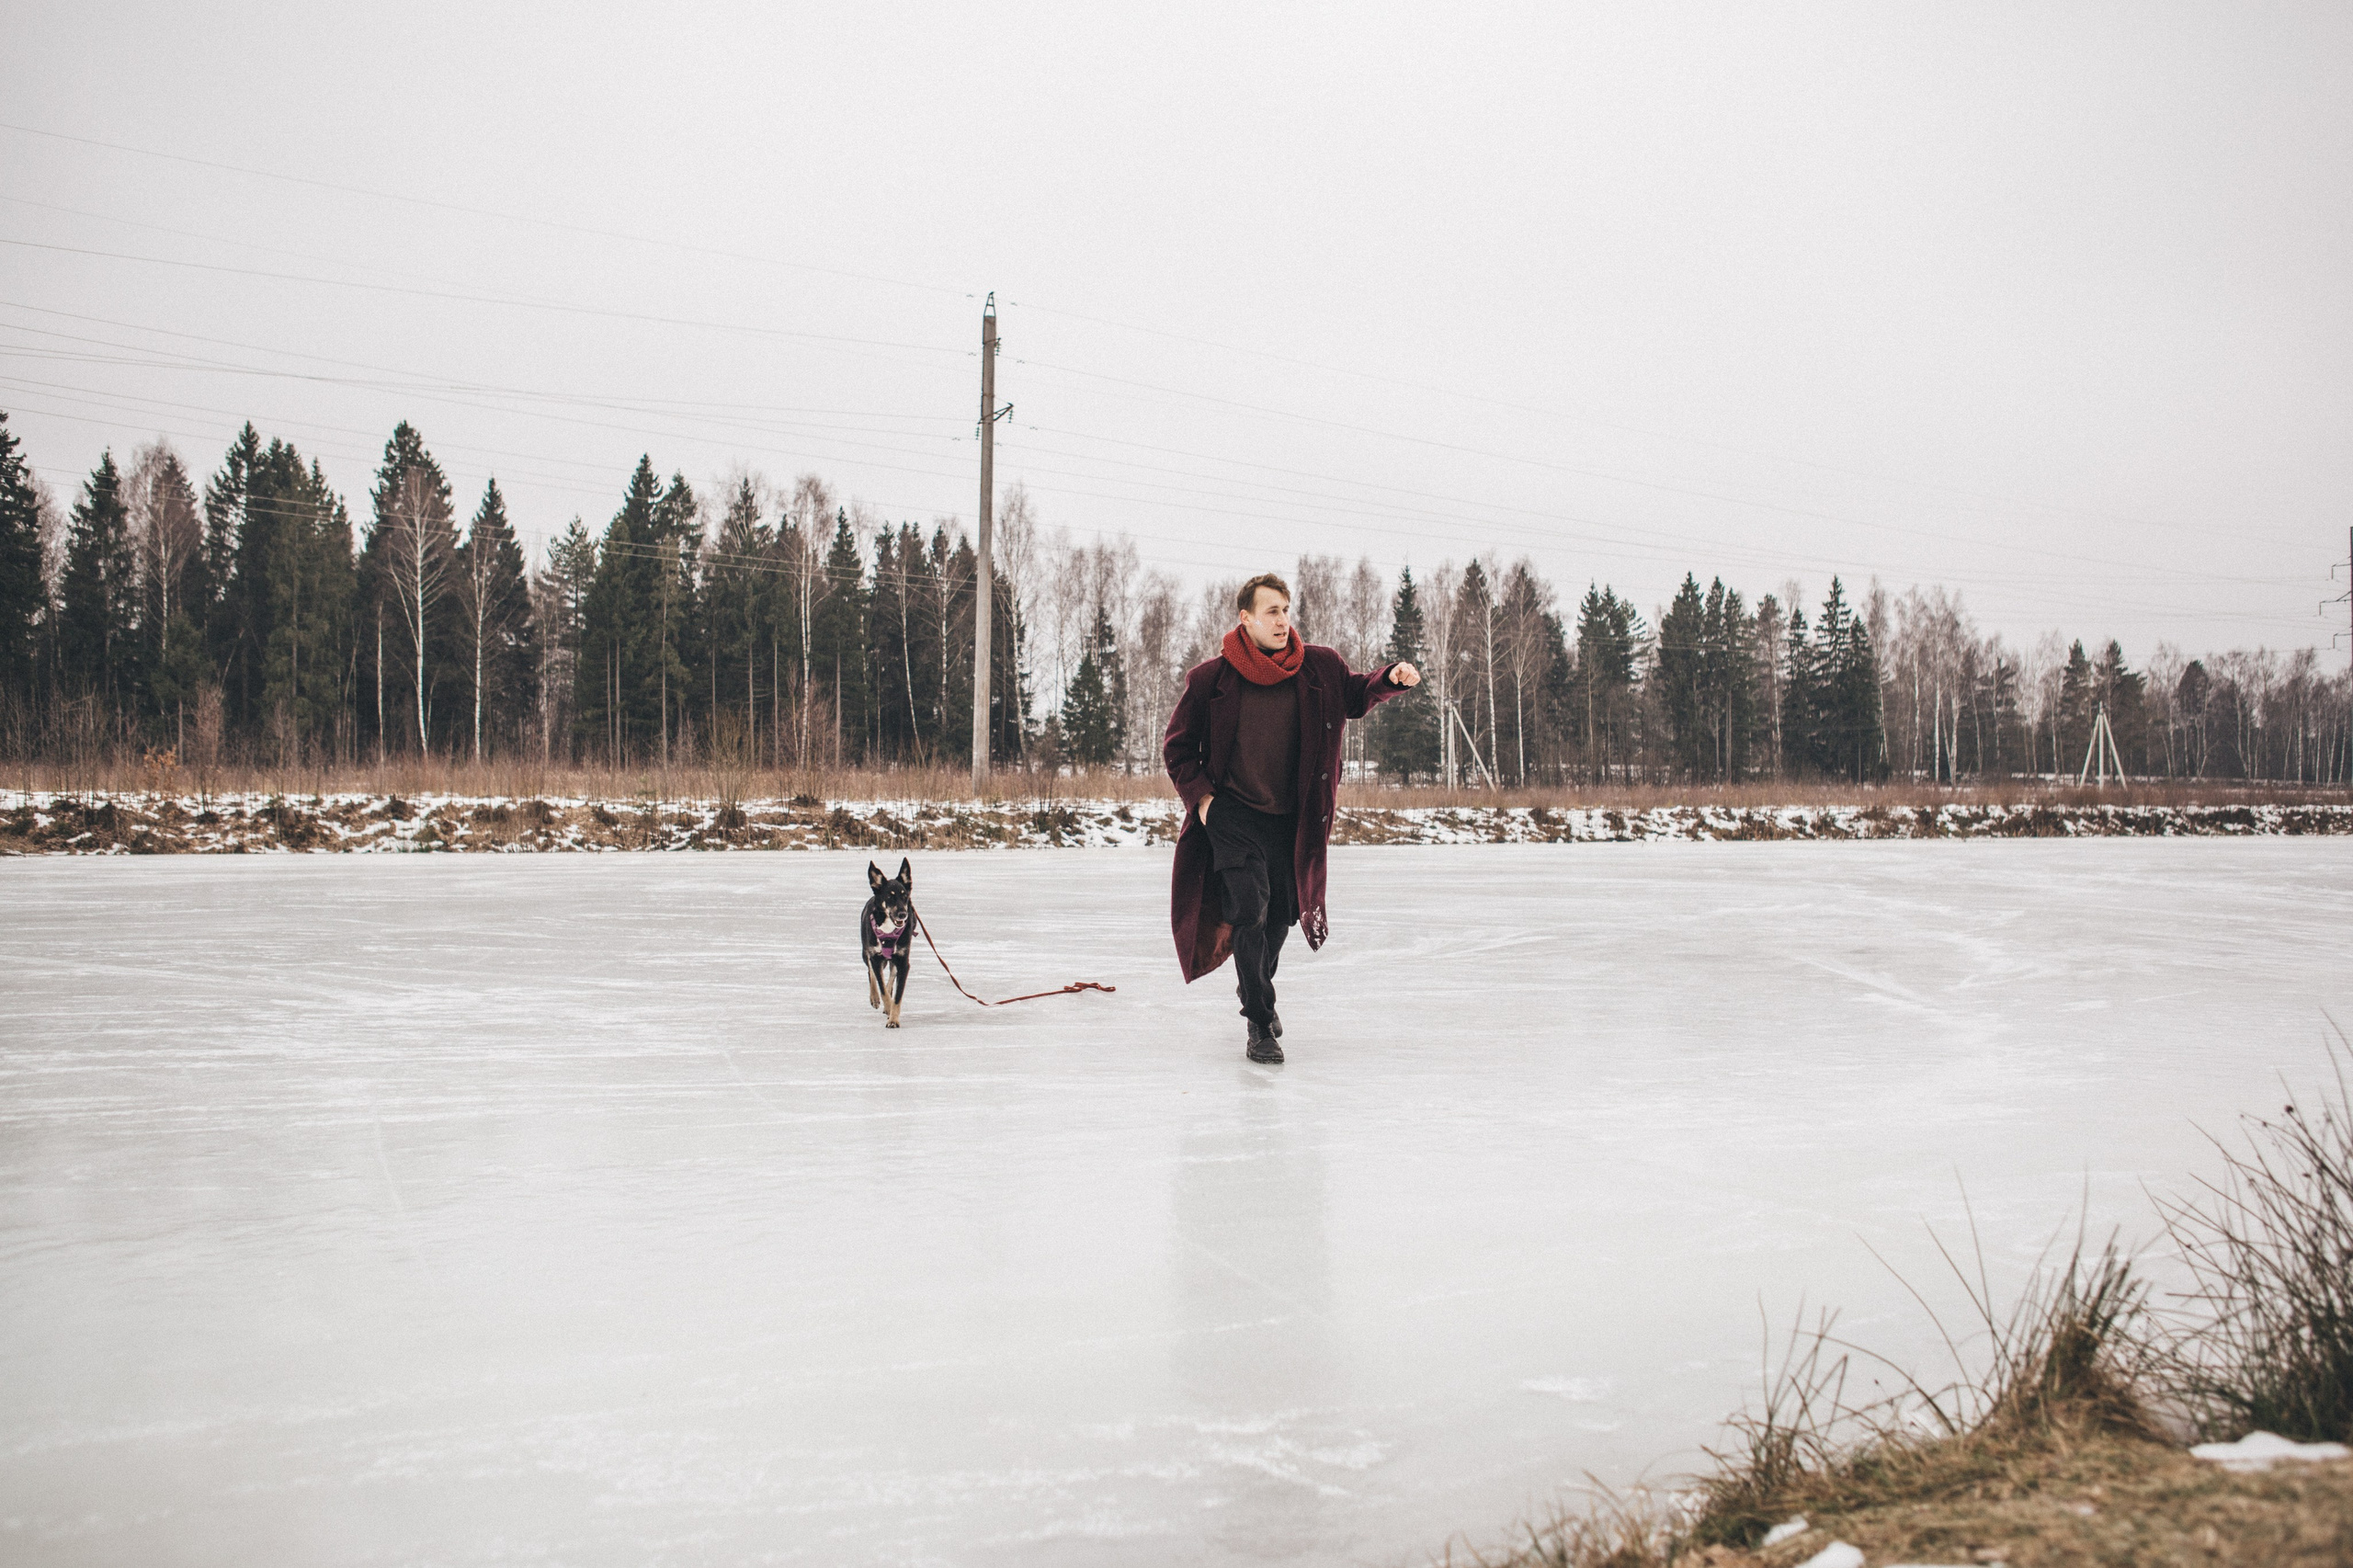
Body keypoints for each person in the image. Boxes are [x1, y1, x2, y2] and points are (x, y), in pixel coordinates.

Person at [1161, 572, 1422, 1063]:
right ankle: (1260, 1023)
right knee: (1248, 909)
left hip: (1292, 818)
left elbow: (1356, 693)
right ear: (1246, 618)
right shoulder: (1210, 679)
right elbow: (1177, 749)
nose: (1283, 621)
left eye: (1286, 609)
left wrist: (1388, 679)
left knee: (1279, 916)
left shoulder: (1319, 668)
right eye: (1272, 612)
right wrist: (1203, 802)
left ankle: (1253, 987)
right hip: (1233, 815)